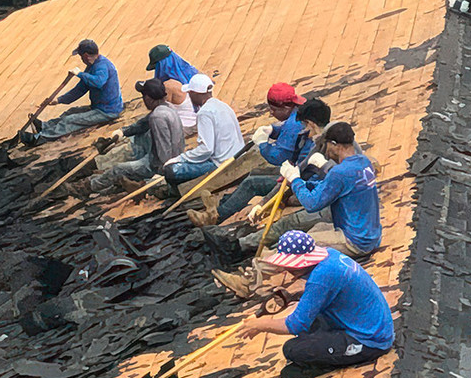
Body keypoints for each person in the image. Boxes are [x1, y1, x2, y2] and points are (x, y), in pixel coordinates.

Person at [235, 231, 394, 368]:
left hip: (371, 340)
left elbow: (295, 325)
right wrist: (296, 297)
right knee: (310, 328)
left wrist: (261, 325)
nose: (285, 270)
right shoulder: (330, 255)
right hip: (369, 323)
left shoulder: (322, 277)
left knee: (293, 349)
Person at [191, 92, 327, 227]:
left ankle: (216, 216)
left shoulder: (313, 144)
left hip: (301, 184)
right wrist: (272, 130)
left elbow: (279, 158)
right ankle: (223, 204)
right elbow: (284, 132)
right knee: (255, 172)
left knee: (252, 183)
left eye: (305, 126)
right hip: (294, 172)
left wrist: (263, 144)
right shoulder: (307, 130)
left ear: (311, 124)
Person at [264, 121, 379, 257]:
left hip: (355, 242)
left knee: (301, 244)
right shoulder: (363, 162)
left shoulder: (339, 172)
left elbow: (312, 204)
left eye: (327, 145)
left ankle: (260, 266)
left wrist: (295, 180)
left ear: (334, 145)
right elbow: (332, 188)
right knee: (317, 228)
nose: (327, 152)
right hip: (370, 236)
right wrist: (307, 185)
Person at [89, 78, 184, 194]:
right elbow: (143, 125)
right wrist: (123, 132)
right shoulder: (167, 107)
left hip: (159, 164)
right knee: (136, 139)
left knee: (118, 169)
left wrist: (162, 172)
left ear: (148, 98)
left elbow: (164, 151)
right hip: (170, 156)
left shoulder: (157, 118)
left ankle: (88, 186)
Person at [161, 72, 241, 188]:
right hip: (234, 155)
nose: (189, 97)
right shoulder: (223, 105)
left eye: (190, 93)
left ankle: (172, 190)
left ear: (195, 93)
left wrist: (181, 158)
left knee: (172, 171)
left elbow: (206, 150)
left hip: (220, 163)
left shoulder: (204, 113)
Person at [36, 40, 123, 142]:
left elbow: (99, 82)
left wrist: (80, 74)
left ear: (85, 56)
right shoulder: (92, 66)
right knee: (70, 112)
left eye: (81, 56)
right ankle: (45, 126)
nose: (81, 59)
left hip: (108, 111)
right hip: (98, 107)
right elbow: (80, 89)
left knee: (70, 120)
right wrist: (59, 100)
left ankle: (41, 137)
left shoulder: (102, 66)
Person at [147, 45, 199, 130]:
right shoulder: (192, 71)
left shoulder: (169, 86)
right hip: (198, 118)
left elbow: (161, 109)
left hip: (186, 125)